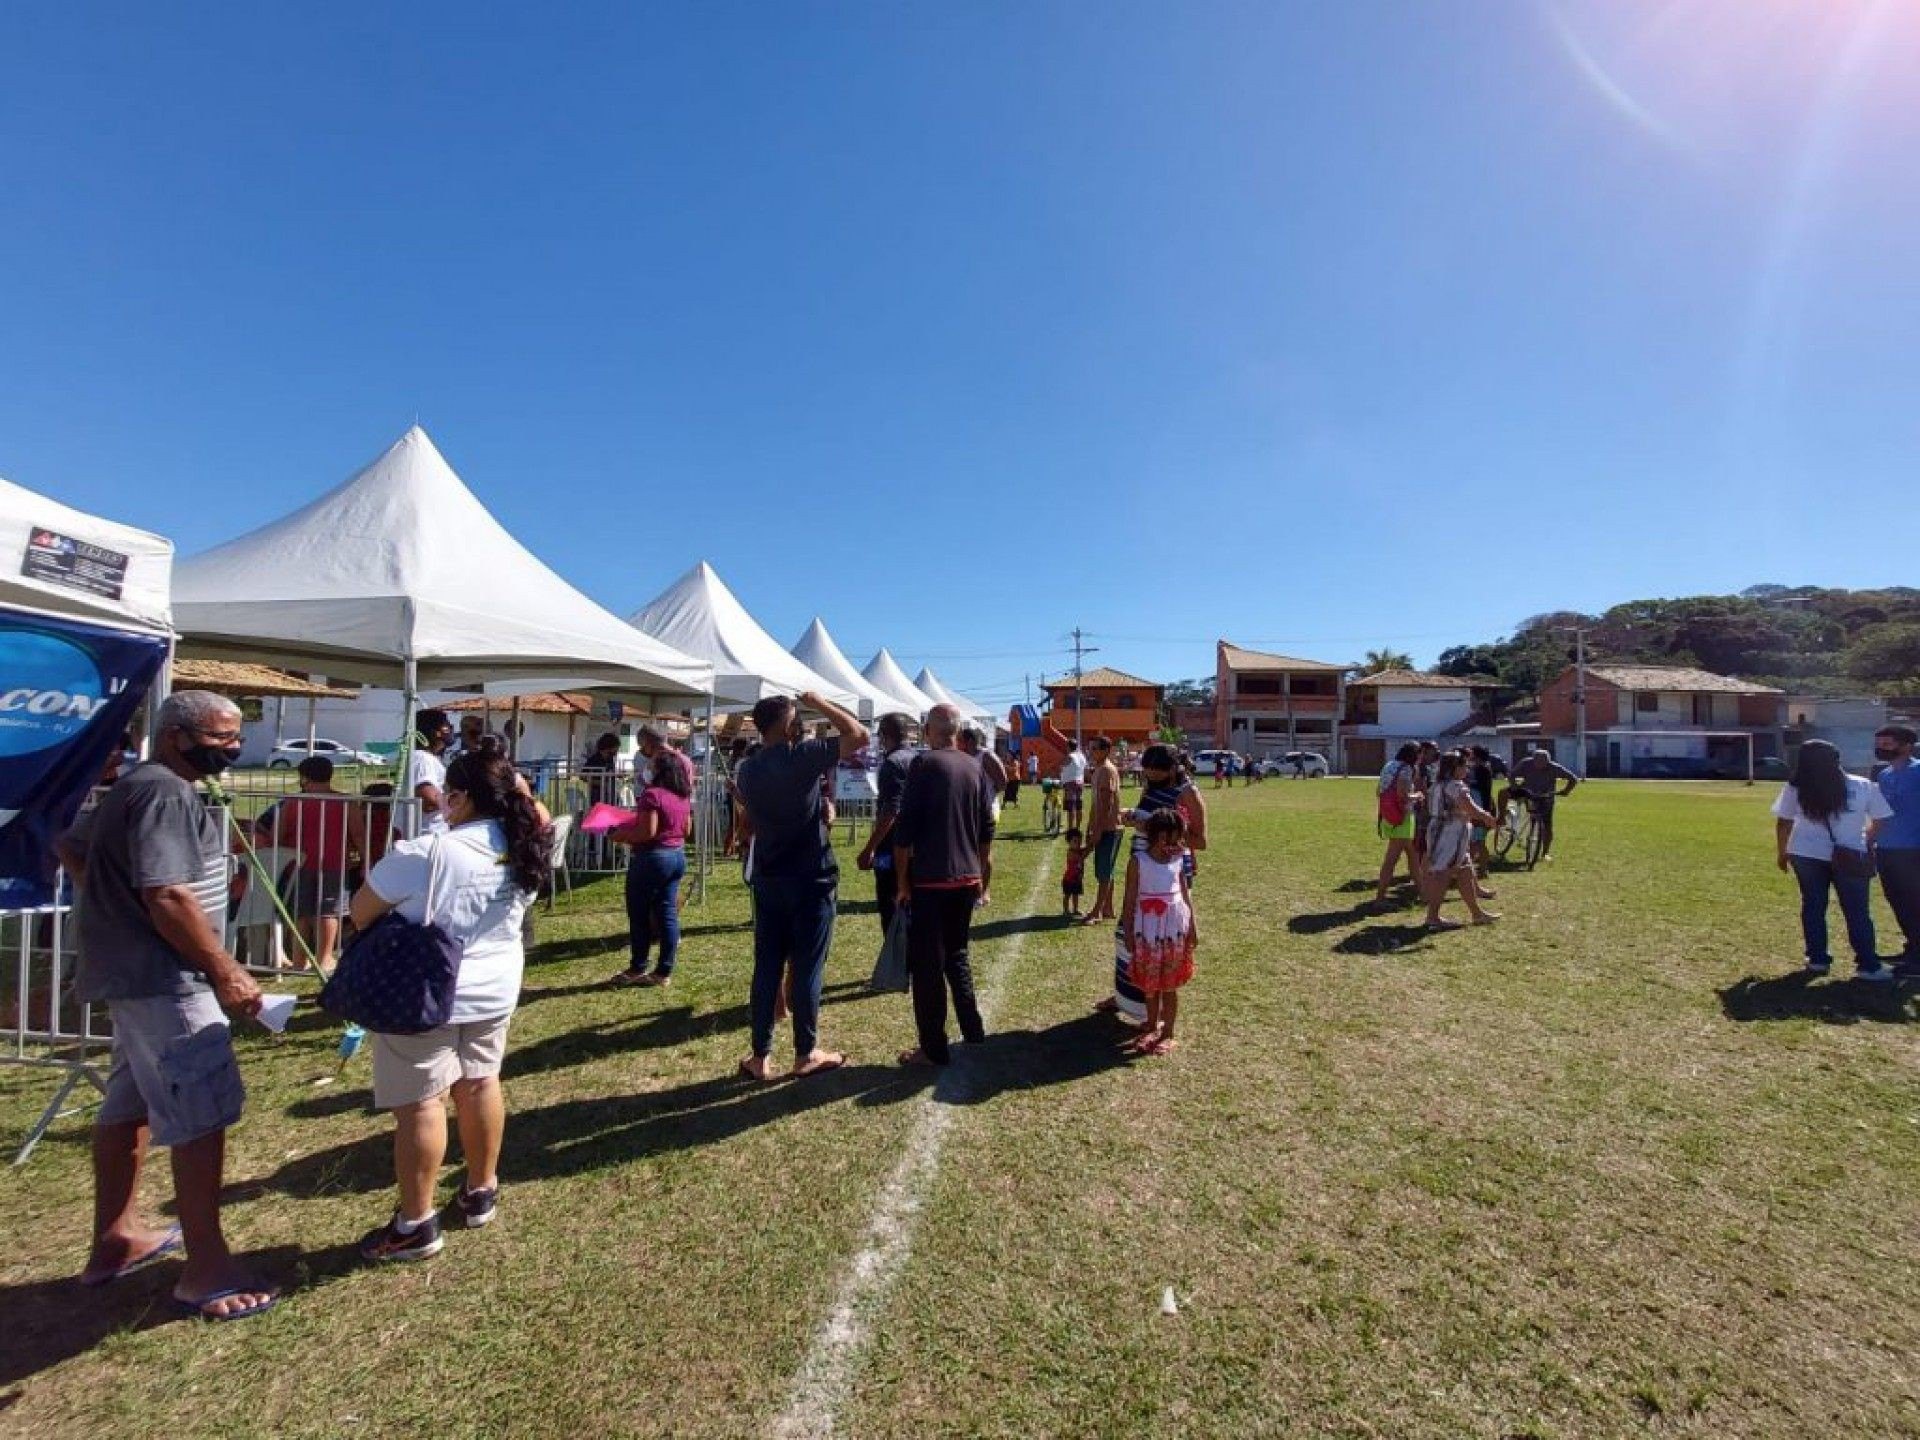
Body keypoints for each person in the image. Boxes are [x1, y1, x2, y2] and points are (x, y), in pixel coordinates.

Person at [56, 691, 274, 1320]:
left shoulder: (134, 786)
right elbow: (170, 895)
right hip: (167, 983)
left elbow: (73, 847)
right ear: (178, 736)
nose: (232, 749)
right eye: (221, 738)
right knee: (200, 1116)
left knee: (129, 1109)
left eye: (237, 738)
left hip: (135, 980)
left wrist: (108, 905)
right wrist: (225, 970)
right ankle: (206, 1271)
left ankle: (115, 1240)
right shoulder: (164, 793)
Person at [351, 751, 552, 1259]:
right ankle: (481, 1187)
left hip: (427, 990)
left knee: (421, 1102)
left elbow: (360, 912)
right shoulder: (526, 844)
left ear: (457, 797)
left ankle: (416, 1221)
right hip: (495, 985)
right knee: (481, 1082)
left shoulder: (427, 851)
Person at [734, 691, 868, 1081]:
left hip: (769, 877)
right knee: (808, 966)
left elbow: (756, 817)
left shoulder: (748, 769)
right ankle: (805, 1052)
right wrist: (819, 700)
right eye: (795, 717)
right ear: (785, 724)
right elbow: (857, 735)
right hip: (811, 877)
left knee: (767, 968)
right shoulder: (802, 756)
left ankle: (760, 1056)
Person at [893, 704, 997, 1066]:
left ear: (928, 731)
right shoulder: (975, 766)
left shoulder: (924, 764)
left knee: (927, 966)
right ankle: (972, 1028)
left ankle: (933, 1047)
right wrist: (982, 874)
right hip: (966, 876)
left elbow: (904, 830)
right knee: (957, 953)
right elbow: (987, 830)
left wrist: (902, 882)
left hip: (933, 879)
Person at [1101, 744, 1206, 1022]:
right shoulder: (1150, 787)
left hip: (1168, 875)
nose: (1150, 776)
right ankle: (1127, 995)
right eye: (1147, 772)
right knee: (1129, 935)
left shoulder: (1188, 793)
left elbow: (1200, 841)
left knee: (1157, 940)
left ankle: (1154, 1010)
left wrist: (1156, 832)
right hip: (1141, 867)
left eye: (1156, 772)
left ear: (1172, 769)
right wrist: (1132, 816)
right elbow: (1147, 815)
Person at [1772, 739, 1893, 981]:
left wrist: (1782, 852)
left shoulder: (1796, 788)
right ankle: (1868, 965)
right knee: (1857, 910)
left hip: (1805, 853)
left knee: (1813, 906)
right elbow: (1881, 818)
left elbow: (1784, 822)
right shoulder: (1863, 786)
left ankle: (1817, 960)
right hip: (1850, 853)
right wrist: (1865, 840)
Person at [607, 749, 694, 987]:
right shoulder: (683, 796)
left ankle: (638, 966)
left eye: (652, 765)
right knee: (667, 914)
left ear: (658, 770)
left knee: (639, 915)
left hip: (651, 859)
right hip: (676, 855)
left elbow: (647, 832)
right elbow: (687, 830)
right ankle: (663, 971)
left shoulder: (651, 795)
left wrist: (620, 836)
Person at [273, 755, 367, 974]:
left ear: (304, 777)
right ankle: (324, 958)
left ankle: (299, 960)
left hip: (298, 863)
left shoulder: (293, 802)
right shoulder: (345, 801)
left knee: (301, 912)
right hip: (333, 862)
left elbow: (280, 832)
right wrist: (366, 860)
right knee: (329, 912)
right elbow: (359, 834)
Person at [1121, 809, 1198, 1056]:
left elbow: (1186, 895)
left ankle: (1169, 1032)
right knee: (1150, 985)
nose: (1173, 844)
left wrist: (1193, 927)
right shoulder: (1138, 862)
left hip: (1173, 932)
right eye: (1169, 838)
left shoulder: (1178, 860)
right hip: (1149, 932)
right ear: (1156, 835)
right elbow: (1129, 899)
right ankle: (1151, 1026)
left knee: (1169, 985)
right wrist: (1129, 932)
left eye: (1176, 839)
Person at [1420, 749, 1501, 930]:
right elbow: (1471, 809)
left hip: (1441, 831)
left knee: (1465, 871)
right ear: (1455, 768)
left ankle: (1477, 913)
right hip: (1450, 834)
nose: (1468, 768)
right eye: (1464, 765)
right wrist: (1489, 818)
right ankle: (1433, 917)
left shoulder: (1437, 784)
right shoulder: (1457, 786)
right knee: (1443, 874)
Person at [856, 712, 916, 938]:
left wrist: (869, 847)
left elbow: (891, 810)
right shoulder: (919, 758)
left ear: (884, 736)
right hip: (917, 846)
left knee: (890, 905)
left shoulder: (892, 763)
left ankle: (898, 962)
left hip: (892, 848)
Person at [1870, 725, 1920, 977]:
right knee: (1898, 902)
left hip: (1913, 849)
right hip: (1887, 849)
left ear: (1907, 745)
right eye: (1879, 744)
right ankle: (1912, 949)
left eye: (1888, 744)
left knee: (1915, 903)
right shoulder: (1884, 775)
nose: (1881, 749)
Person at [957, 726, 1008, 905]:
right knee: (970, 850)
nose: (957, 744)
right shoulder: (962, 757)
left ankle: (984, 891)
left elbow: (1003, 782)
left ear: (969, 741)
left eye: (960, 740)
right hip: (968, 809)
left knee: (983, 851)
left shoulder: (986, 756)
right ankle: (971, 888)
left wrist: (987, 793)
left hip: (986, 809)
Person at [1079, 736, 1123, 924]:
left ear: (1106, 750)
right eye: (1090, 748)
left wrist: (1098, 829)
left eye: (1095, 748)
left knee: (1103, 871)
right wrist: (1090, 825)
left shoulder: (1106, 770)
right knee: (1105, 868)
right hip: (1101, 826)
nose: (1091, 752)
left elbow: (1107, 802)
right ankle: (1108, 908)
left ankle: (1097, 911)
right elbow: (1095, 802)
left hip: (1109, 828)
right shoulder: (1098, 770)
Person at [1509, 745, 1579, 861]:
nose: (1541, 765)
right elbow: (1512, 774)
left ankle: (1545, 852)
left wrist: (1566, 791)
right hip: (1529, 794)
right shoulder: (1526, 763)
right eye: (1538, 762)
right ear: (1533, 760)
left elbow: (1573, 778)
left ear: (1548, 761)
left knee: (1547, 825)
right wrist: (1515, 786)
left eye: (1544, 763)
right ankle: (1515, 827)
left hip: (1546, 797)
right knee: (1532, 816)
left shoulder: (1554, 768)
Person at [1375, 743, 1422, 905]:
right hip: (1402, 818)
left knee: (1414, 856)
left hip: (1389, 815)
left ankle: (1424, 894)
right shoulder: (1406, 769)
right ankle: (1380, 898)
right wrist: (1418, 796)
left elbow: (1378, 791)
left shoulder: (1389, 765)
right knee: (1391, 860)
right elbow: (1403, 795)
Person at [407, 709, 455, 835]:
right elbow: (428, 798)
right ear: (435, 732)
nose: (450, 728)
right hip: (426, 834)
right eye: (446, 726)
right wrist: (459, 805)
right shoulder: (422, 758)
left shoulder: (427, 757)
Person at [581, 732, 622, 805]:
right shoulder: (593, 759)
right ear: (608, 747)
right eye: (615, 748)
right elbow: (583, 776)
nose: (617, 751)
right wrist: (599, 782)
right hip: (597, 796)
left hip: (610, 796)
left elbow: (611, 772)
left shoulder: (610, 759)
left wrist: (617, 775)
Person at [1060, 740, 1087, 830]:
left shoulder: (1070, 756)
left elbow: (1063, 766)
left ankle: (1070, 828)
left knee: (1071, 807)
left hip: (1070, 783)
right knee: (1079, 806)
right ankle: (1078, 827)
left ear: (1068, 747)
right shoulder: (1082, 756)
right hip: (1080, 782)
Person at [1061, 826, 1086, 916]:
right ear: (1069, 842)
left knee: (1075, 895)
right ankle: (1066, 910)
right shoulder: (1071, 852)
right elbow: (1081, 857)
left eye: (1079, 841)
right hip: (1069, 879)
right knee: (1067, 895)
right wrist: (1087, 849)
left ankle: (1075, 909)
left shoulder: (1078, 850)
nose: (1078, 843)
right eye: (1075, 841)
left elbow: (1084, 850)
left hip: (1077, 879)